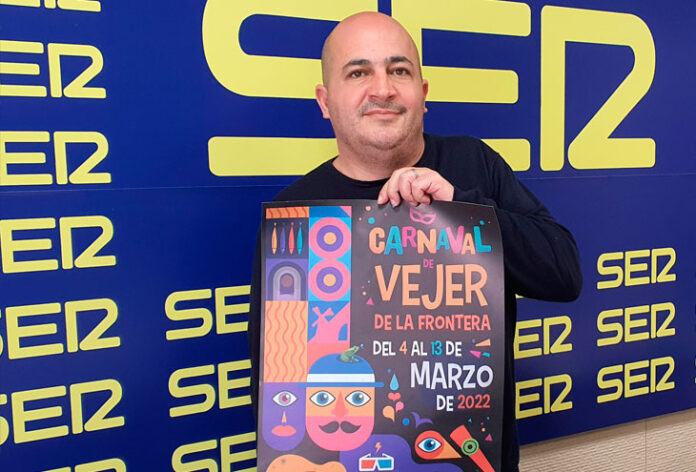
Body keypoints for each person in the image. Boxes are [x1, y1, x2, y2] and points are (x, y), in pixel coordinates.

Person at [249, 11, 582, 472]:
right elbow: (276, 384)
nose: (383, 88)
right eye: (358, 72)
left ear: (423, 94)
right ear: (325, 101)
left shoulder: (474, 164)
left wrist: (461, 210)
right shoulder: (298, 217)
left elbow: (564, 274)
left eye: (399, 70)